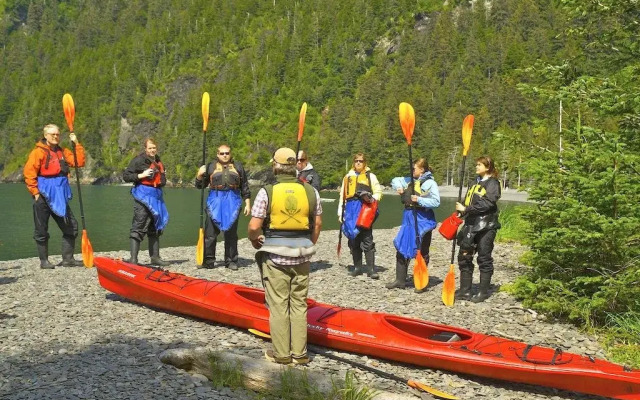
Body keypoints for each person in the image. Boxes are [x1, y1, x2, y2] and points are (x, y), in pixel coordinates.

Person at [248, 147, 322, 365]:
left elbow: (254, 226)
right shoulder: (311, 191)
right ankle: (300, 354)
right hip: (302, 255)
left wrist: (254, 239)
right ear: (295, 166)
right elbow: (317, 224)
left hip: (276, 256)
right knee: (299, 304)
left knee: (279, 305)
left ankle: (281, 354)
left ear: (275, 167)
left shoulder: (267, 192)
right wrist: (309, 243)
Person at [24, 124, 86, 269]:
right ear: (45, 135)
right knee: (41, 229)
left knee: (71, 226)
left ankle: (68, 259)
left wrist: (76, 143)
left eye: (57, 134)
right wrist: (35, 193)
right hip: (43, 196)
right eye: (52, 134)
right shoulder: (38, 152)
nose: (55, 136)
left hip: (60, 196)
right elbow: (29, 173)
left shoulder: (63, 151)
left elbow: (79, 162)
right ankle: (44, 261)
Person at [386, 159, 440, 292]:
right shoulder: (409, 180)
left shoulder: (430, 183)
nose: (412, 171)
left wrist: (420, 199)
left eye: (414, 168)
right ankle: (400, 280)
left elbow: (436, 202)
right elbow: (395, 180)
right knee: (402, 245)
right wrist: (398, 187)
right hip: (409, 218)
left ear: (422, 170)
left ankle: (420, 282)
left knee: (421, 250)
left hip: (423, 219)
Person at [195, 144, 251, 270]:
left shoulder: (238, 167)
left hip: (233, 201)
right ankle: (208, 260)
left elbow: (245, 186)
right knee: (210, 233)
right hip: (215, 201)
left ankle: (231, 260)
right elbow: (200, 186)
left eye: (227, 153)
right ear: (217, 154)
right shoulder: (210, 166)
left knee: (231, 234)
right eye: (222, 153)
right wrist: (199, 175)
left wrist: (247, 202)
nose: (225, 155)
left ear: (230, 154)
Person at [455, 156, 501, 303]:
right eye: (477, 165)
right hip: (470, 224)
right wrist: (461, 210)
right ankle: (464, 290)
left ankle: (483, 292)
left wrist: (467, 208)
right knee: (464, 256)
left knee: (484, 257)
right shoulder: (474, 182)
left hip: (486, 226)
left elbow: (488, 203)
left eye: (479, 165)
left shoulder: (493, 183)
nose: (476, 167)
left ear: (487, 167)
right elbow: (469, 199)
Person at [122, 138, 170, 266]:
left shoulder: (158, 161)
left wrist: (163, 176)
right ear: (145, 149)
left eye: (154, 148)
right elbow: (126, 176)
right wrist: (141, 175)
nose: (152, 150)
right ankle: (133, 259)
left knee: (155, 227)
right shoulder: (138, 160)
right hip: (143, 197)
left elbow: (162, 180)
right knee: (139, 225)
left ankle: (155, 257)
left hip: (156, 197)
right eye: (150, 148)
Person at [337, 153, 382, 279]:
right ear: (353, 162)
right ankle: (357, 268)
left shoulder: (370, 176)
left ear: (365, 163)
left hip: (365, 210)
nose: (358, 163)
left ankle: (371, 269)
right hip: (351, 211)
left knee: (367, 239)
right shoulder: (347, 177)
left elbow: (378, 192)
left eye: (361, 161)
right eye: (356, 161)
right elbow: (342, 197)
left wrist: (371, 198)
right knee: (353, 239)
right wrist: (341, 213)